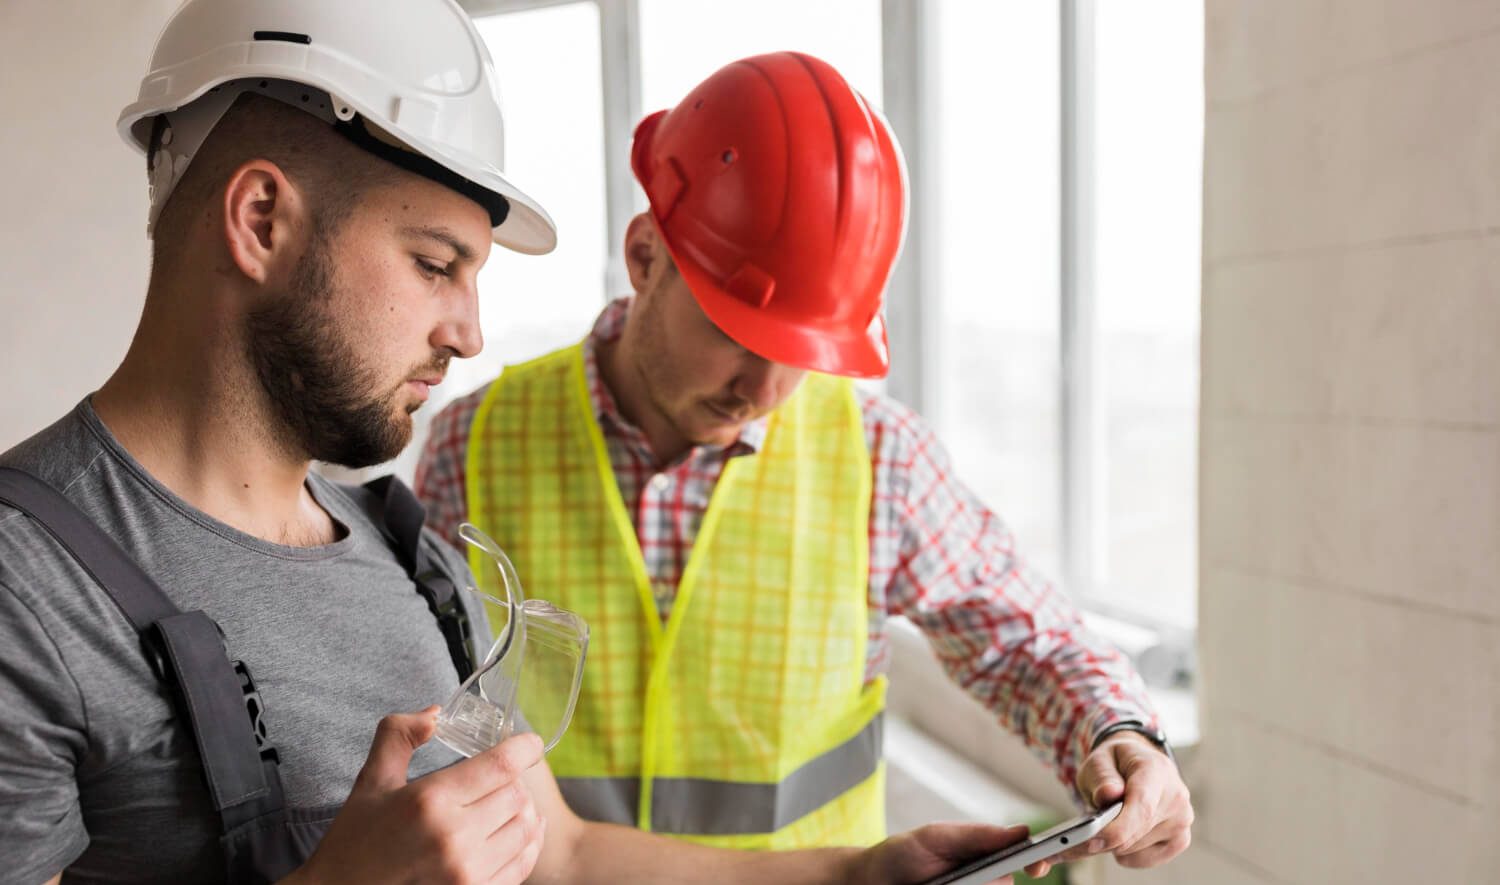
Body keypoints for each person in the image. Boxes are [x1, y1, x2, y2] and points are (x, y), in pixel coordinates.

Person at [0, 2, 1031, 883]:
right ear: (263, 219)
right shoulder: (29, 586)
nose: (469, 333)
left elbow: (565, 858)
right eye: (435, 264)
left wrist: (855, 873)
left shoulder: (409, 556)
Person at [415, 51, 1194, 875]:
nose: (767, 387)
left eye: (804, 352)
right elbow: (434, 722)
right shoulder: (477, 443)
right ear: (645, 257)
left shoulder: (879, 460)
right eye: (739, 335)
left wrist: (1121, 733)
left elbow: (1021, 637)